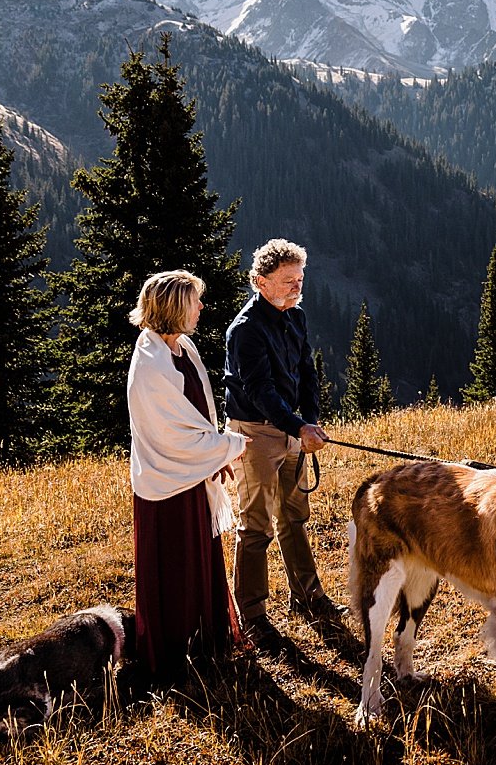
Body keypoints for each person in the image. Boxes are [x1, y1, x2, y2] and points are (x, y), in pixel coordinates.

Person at [125, 270, 247, 683]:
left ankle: (207, 641)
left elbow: (197, 420)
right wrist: (227, 447)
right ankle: (178, 654)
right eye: (194, 300)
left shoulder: (182, 348)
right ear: (176, 306)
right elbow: (171, 436)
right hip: (168, 486)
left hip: (194, 478)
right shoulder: (150, 363)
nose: (200, 307)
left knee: (201, 560)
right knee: (177, 566)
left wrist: (213, 456)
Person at [222, 238, 343, 641]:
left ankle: (307, 596)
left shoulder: (297, 318)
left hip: (292, 429)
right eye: (288, 280)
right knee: (255, 525)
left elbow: (307, 372)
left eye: (300, 278)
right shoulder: (245, 330)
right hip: (255, 433)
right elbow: (260, 391)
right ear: (260, 282)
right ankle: (252, 616)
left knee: (294, 516)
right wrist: (297, 427)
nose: (297, 286)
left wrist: (308, 421)